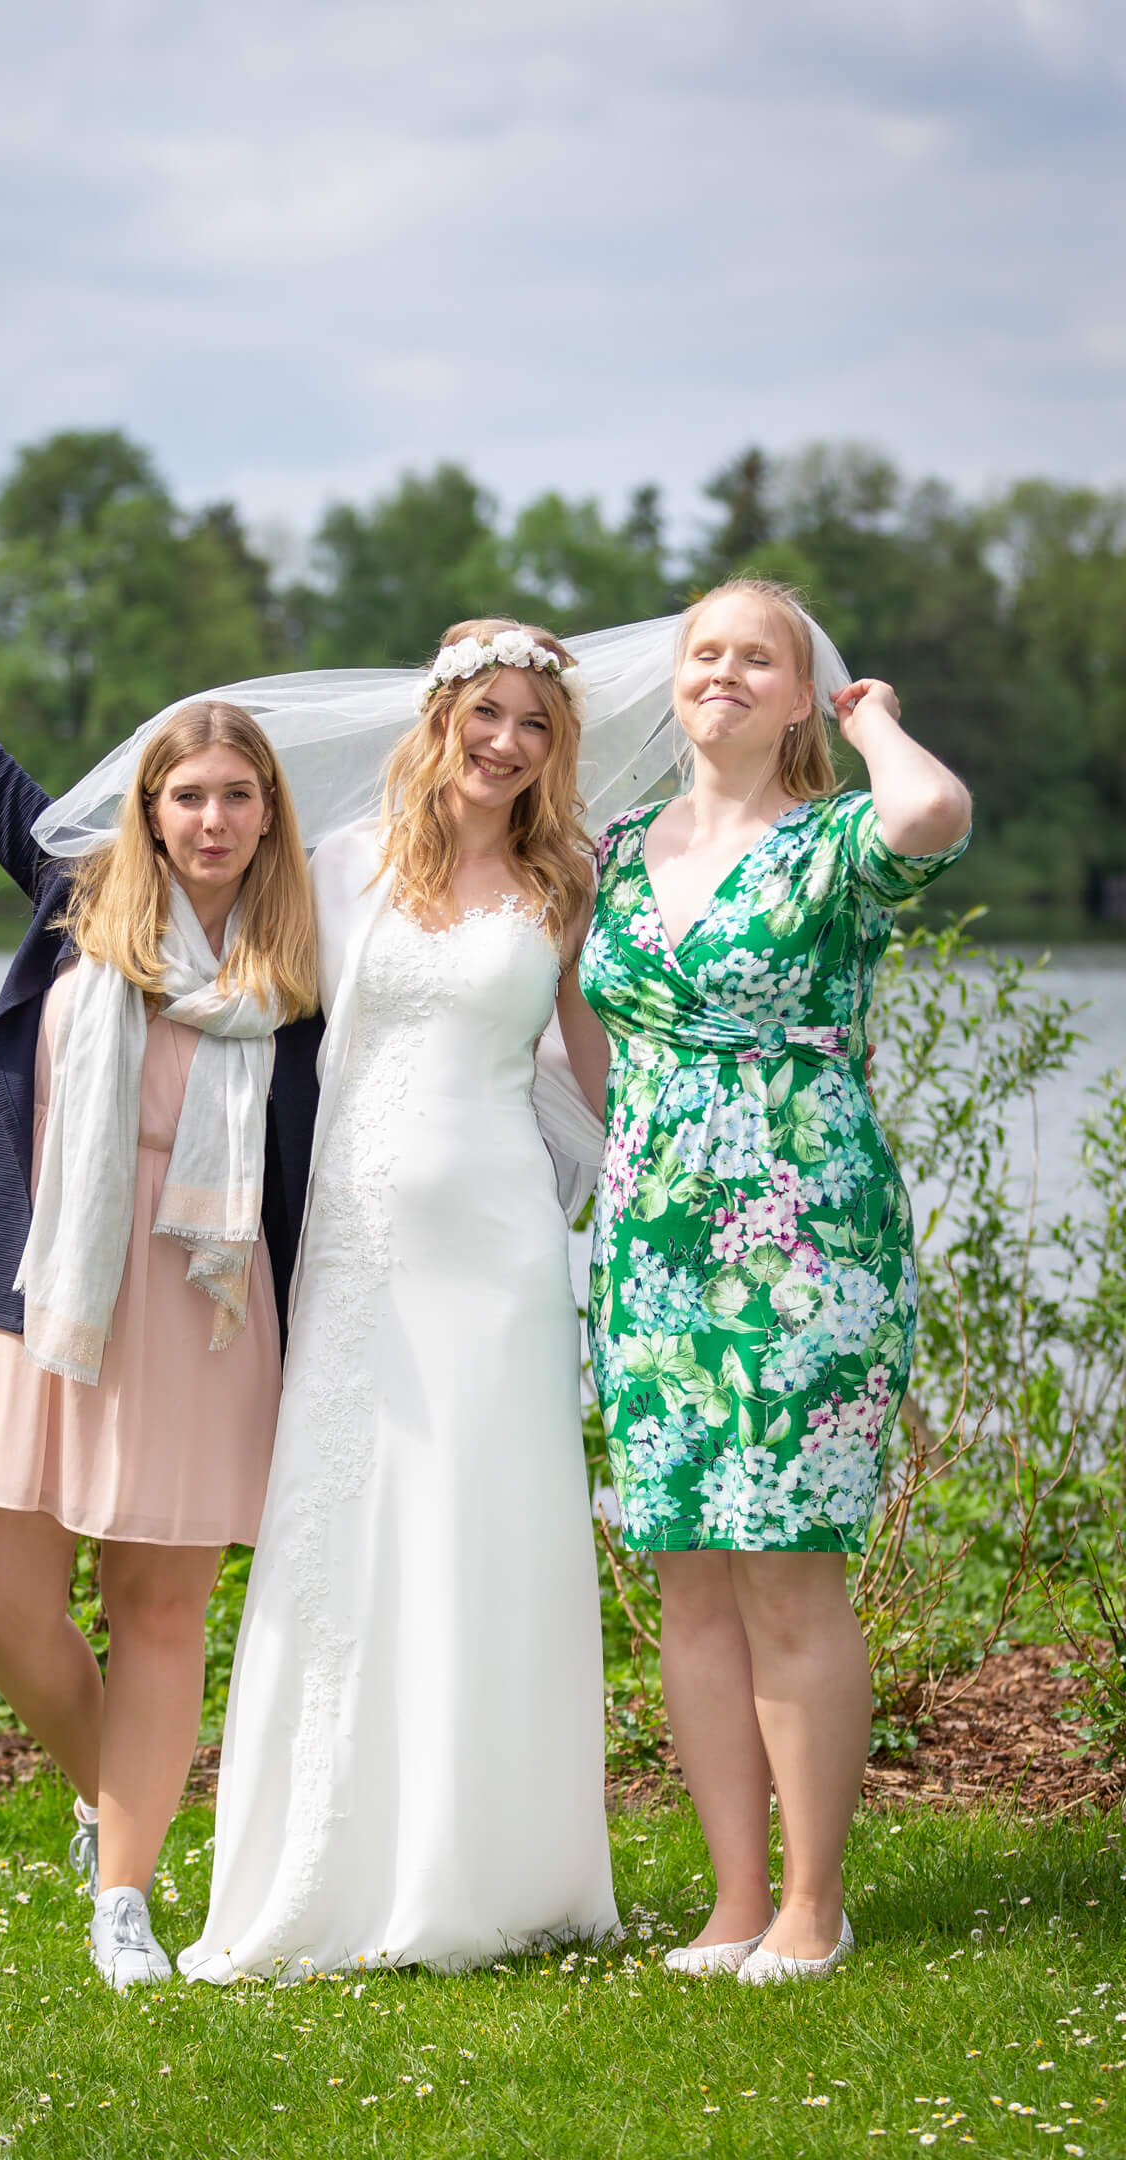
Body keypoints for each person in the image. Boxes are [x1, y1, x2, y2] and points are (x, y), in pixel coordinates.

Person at [0, 486, 323, 1990]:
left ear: (267, 813)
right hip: (38, 1290)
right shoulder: (78, 901)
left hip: (204, 1310)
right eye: (187, 796)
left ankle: (128, 1897)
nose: (212, 819)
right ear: (148, 811)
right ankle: (107, 1798)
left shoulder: (297, 974)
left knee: (157, 1611)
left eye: (236, 796)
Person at [173, 620, 621, 1982]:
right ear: (440, 718)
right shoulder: (348, 865)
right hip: (362, 1244)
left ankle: (500, 1865)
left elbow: (586, 1056)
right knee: (354, 1523)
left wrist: (632, 1171)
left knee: (494, 1529)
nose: (507, 743)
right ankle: (333, 1860)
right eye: (488, 713)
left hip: (499, 1250)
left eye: (534, 725)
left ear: (556, 750)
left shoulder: (566, 881)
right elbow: (249, 1002)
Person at [580, 577, 971, 1982]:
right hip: (656, 1245)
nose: (726, 673)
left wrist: (874, 727)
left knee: (788, 1568)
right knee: (688, 1570)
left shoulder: (835, 846)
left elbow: (935, 818)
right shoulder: (617, 849)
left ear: (802, 694)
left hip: (807, 1239)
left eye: (762, 658)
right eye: (705, 652)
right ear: (671, 681)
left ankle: (816, 1903)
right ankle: (735, 1899)